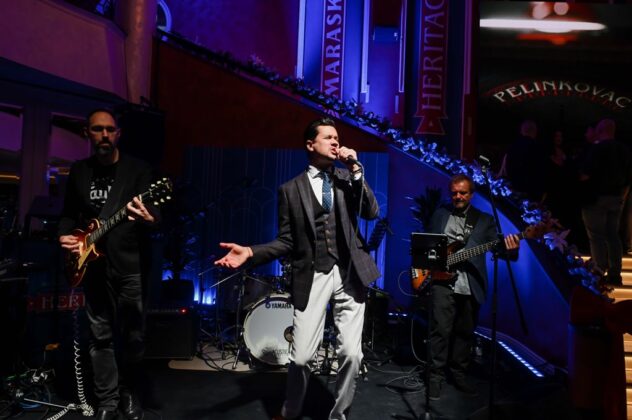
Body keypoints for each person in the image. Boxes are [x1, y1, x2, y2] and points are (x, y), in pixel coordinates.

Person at [215, 117, 381, 420]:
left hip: (350, 273)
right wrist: (251, 251)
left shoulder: (347, 177)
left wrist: (357, 169)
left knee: (351, 354)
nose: (335, 142)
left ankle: (339, 415)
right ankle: (291, 409)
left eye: (337, 137)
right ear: (310, 144)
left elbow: (371, 212)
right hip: (313, 274)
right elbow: (286, 241)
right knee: (302, 356)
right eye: (328, 137)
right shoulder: (290, 190)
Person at [58, 109, 158, 420]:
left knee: (133, 336)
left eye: (110, 129)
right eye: (97, 129)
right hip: (92, 266)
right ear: (86, 132)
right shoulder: (79, 171)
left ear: (118, 133)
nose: (104, 135)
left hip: (129, 266)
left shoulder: (137, 170)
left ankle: (129, 394)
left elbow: (154, 210)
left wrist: (151, 217)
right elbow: (68, 214)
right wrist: (64, 235)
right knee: (99, 336)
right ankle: (106, 402)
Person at [426, 174, 519, 400]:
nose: (458, 196)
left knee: (465, 332)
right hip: (442, 281)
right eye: (454, 193)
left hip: (470, 283)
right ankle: (435, 377)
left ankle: (458, 374)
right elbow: (426, 245)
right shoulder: (439, 214)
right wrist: (427, 268)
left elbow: (499, 250)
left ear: (471, 194)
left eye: (463, 193)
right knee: (440, 330)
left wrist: (512, 249)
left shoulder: (484, 220)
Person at [578, 118, 631, 287]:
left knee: (596, 237)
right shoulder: (624, 150)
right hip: (616, 198)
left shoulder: (597, 149)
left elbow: (585, 174)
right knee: (613, 236)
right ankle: (615, 274)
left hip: (596, 198)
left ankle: (599, 273)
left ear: (600, 131)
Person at [504, 120, 547, 202]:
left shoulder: (512, 147)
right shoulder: (539, 149)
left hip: (513, 191)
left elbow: (506, 169)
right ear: (535, 132)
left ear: (521, 131)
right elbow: (542, 172)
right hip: (531, 194)